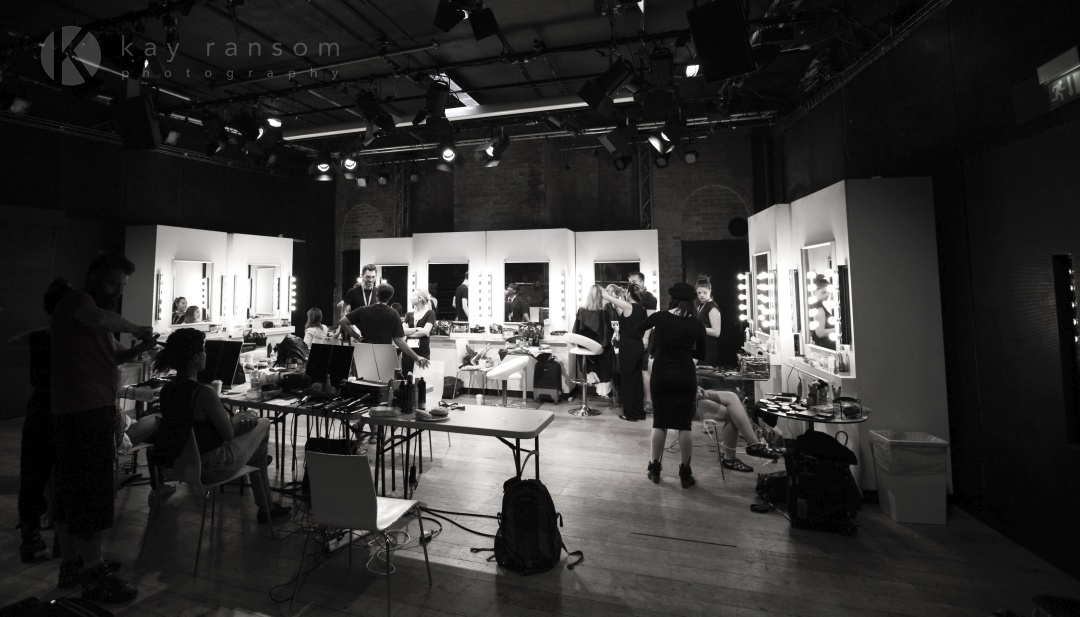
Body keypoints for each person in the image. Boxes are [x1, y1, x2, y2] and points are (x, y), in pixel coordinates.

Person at [51, 252, 157, 603]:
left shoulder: (89, 318)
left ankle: (74, 562)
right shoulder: (77, 303)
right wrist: (136, 328)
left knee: (72, 488)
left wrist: (141, 348)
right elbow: (102, 318)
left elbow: (114, 355)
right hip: (84, 410)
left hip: (84, 409)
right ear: (94, 276)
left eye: (122, 286)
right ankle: (94, 573)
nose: (118, 292)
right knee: (90, 492)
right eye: (113, 284)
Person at [151, 329, 291, 523]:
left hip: (178, 466)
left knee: (257, 450)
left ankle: (265, 501)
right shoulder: (204, 393)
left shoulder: (167, 390)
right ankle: (266, 506)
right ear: (194, 358)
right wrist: (239, 419)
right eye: (203, 350)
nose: (206, 354)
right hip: (210, 467)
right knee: (263, 423)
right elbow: (228, 434)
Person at [8, 277, 72, 563]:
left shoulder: (39, 336)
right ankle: (64, 543)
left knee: (32, 476)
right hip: (66, 406)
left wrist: (43, 331)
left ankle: (31, 539)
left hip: (39, 405)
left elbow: (13, 342)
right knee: (64, 476)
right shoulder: (77, 337)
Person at [637, 281, 707, 488]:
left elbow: (638, 328)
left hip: (661, 375)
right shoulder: (697, 323)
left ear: (673, 298)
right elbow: (702, 354)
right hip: (685, 375)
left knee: (659, 421)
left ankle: (655, 468)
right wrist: (684, 349)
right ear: (692, 301)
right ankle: (685, 473)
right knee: (684, 424)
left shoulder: (660, 317)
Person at [339, 283, 430, 370]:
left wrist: (357, 337)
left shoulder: (363, 310)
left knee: (364, 379)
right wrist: (416, 357)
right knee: (385, 380)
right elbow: (398, 340)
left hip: (366, 350)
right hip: (385, 353)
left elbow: (343, 322)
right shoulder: (393, 313)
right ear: (390, 297)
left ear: (377, 294)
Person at [696, 388, 781, 472]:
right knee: (732, 413)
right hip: (689, 399)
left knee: (732, 397)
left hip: (692, 391)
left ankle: (753, 444)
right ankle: (733, 456)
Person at [601, 284, 647, 422]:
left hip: (628, 347)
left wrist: (605, 292)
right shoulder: (641, 309)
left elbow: (606, 296)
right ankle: (639, 412)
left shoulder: (628, 307)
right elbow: (619, 308)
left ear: (628, 293)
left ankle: (630, 414)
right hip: (638, 346)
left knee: (627, 380)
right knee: (637, 380)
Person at [572, 285, 615, 395]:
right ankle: (604, 382)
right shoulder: (604, 313)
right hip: (599, 349)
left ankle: (590, 372)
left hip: (583, 349)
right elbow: (607, 335)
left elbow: (575, 332)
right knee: (610, 352)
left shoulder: (581, 311)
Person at [628, 272, 657, 415]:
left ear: (642, 282)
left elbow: (651, 321)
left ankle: (648, 402)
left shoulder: (649, 298)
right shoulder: (631, 296)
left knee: (644, 370)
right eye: (630, 281)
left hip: (645, 337)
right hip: (633, 337)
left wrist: (645, 338)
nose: (632, 284)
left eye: (634, 281)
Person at [402, 288, 436, 378]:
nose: (411, 298)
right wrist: (417, 329)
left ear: (420, 298)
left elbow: (426, 331)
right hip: (408, 350)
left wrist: (409, 333)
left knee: (422, 377)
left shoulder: (430, 313)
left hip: (423, 350)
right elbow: (402, 331)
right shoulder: (409, 314)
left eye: (413, 296)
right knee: (406, 376)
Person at [694, 276, 722, 367]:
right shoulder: (701, 306)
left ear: (710, 290)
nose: (701, 295)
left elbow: (716, 332)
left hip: (708, 348)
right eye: (699, 293)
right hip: (700, 346)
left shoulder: (712, 307)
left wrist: (697, 328)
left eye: (705, 292)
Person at [808, 274, 837, 350]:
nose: (827, 295)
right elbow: (820, 333)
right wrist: (839, 329)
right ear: (815, 291)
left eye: (828, 292)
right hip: (826, 346)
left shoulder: (813, 305)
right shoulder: (818, 308)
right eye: (823, 292)